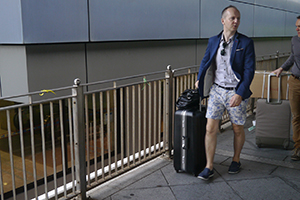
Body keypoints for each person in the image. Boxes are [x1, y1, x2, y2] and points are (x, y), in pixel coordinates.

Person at [195, 5, 255, 180]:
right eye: (232, 18)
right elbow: (205, 61)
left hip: (235, 91)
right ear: (223, 21)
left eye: (238, 18)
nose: (236, 21)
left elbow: (249, 71)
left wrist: (240, 93)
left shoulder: (245, 42)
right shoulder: (213, 41)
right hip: (216, 90)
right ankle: (209, 166)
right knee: (210, 128)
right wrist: (200, 79)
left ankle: (236, 160)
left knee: (237, 129)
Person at [271, 16, 300, 161]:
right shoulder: (294, 40)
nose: (297, 29)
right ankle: (298, 148)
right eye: (296, 26)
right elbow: (293, 57)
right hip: (295, 81)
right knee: (296, 117)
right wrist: (281, 68)